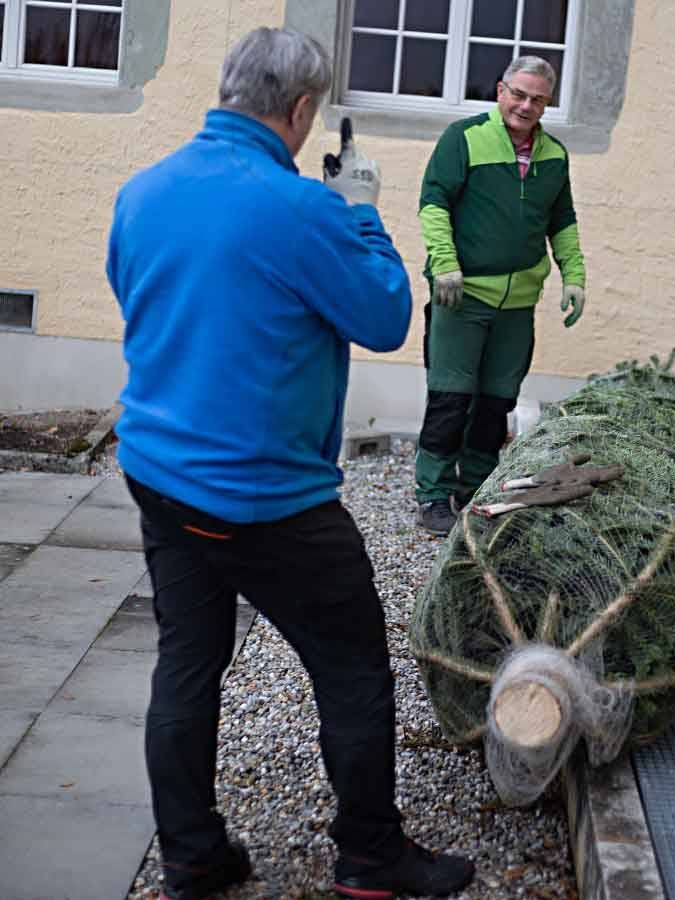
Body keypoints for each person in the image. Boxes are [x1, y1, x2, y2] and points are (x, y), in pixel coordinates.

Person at [106, 27, 474, 900]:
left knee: (187, 662)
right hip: (266, 498)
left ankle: (192, 856)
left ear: (228, 88)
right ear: (302, 110)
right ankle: (370, 859)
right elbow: (384, 317)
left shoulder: (142, 190)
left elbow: (140, 295)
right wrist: (360, 212)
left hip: (159, 473)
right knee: (351, 668)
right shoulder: (303, 210)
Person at [414, 56, 587, 536]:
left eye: (538, 99)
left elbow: (563, 222)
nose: (526, 106)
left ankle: (474, 488)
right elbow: (434, 204)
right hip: (461, 296)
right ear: (500, 91)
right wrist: (445, 264)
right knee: (450, 397)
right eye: (519, 94)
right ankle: (432, 495)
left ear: (547, 104)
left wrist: (574, 276)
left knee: (496, 401)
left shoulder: (554, 156)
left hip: (517, 304)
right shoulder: (464, 139)